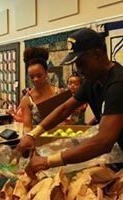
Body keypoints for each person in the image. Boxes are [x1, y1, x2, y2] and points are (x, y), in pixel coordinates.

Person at [16, 28, 123, 175]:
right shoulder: (91, 81)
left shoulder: (118, 84)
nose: (79, 70)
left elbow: (104, 141)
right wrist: (33, 134)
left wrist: (48, 161)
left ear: (97, 54)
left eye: (81, 63)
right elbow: (65, 108)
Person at [9, 47, 60, 132]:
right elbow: (27, 127)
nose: (35, 79)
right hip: (38, 139)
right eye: (32, 77)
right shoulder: (27, 99)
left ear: (46, 73)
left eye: (39, 75)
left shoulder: (58, 93)